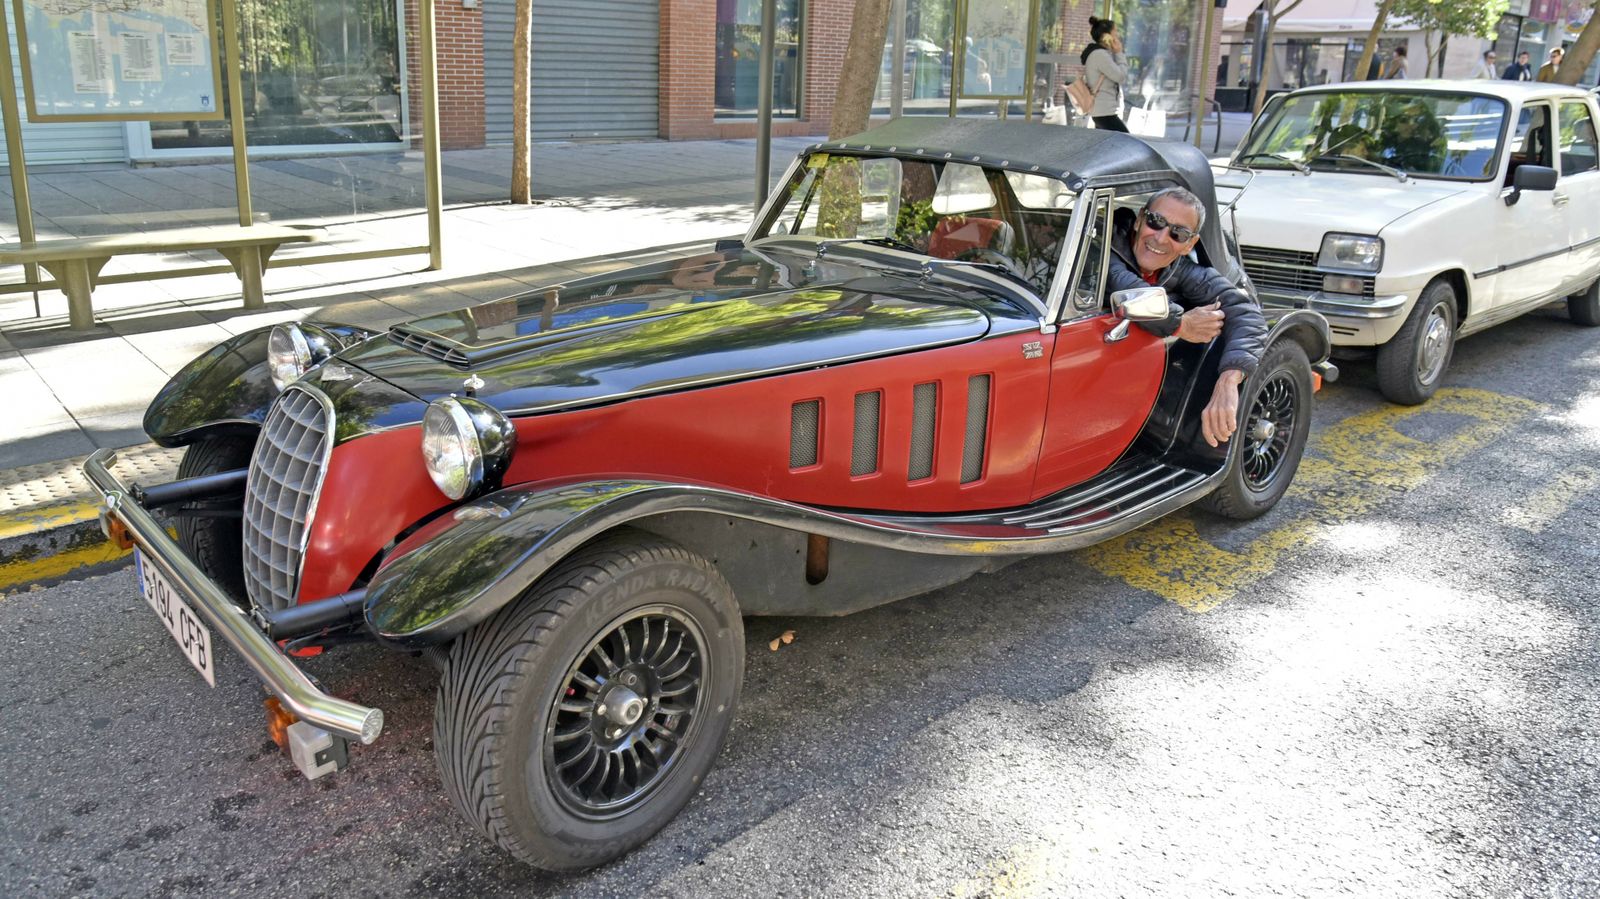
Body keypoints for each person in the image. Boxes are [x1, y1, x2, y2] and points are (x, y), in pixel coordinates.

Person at [1105, 188, 1266, 447]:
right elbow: (1122, 284)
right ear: (1139, 220)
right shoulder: (1100, 245)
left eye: (1178, 233)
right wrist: (1181, 324)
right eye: (1156, 222)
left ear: (1189, 244)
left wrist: (1229, 380)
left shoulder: (1182, 269)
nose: (1161, 238)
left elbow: (1247, 313)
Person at [1080, 17, 1128, 133]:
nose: (1117, 35)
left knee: (1108, 147)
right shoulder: (1100, 55)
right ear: (1106, 36)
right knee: (1126, 142)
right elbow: (1120, 76)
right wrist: (1119, 53)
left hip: (1102, 111)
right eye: (1115, 31)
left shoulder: (1101, 54)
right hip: (1104, 112)